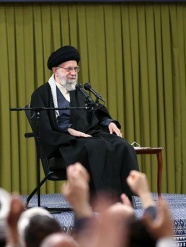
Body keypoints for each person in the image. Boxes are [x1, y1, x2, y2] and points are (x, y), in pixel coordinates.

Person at [30, 45, 139, 203]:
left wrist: (109, 122)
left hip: (88, 135)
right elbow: (43, 128)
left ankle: (125, 196)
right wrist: (68, 131)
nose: (73, 73)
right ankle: (101, 200)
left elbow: (96, 112)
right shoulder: (42, 94)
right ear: (55, 70)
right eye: (69, 69)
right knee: (95, 147)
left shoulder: (79, 91)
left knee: (122, 145)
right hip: (65, 143)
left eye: (76, 69)